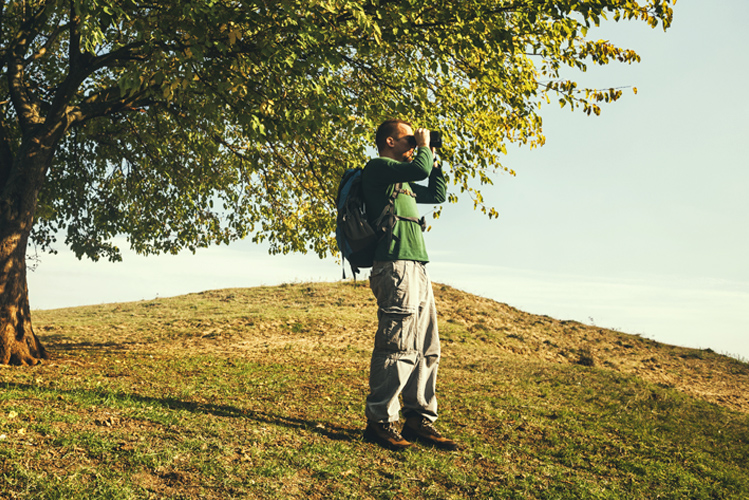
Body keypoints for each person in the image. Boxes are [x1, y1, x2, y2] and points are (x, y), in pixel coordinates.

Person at [360, 119, 458, 451]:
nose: (414, 145)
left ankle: (418, 419)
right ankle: (380, 421)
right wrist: (424, 150)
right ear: (390, 141)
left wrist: (434, 155)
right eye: (409, 139)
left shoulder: (402, 182)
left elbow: (437, 192)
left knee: (427, 345)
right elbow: (419, 171)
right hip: (394, 262)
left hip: (417, 264)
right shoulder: (377, 169)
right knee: (398, 343)